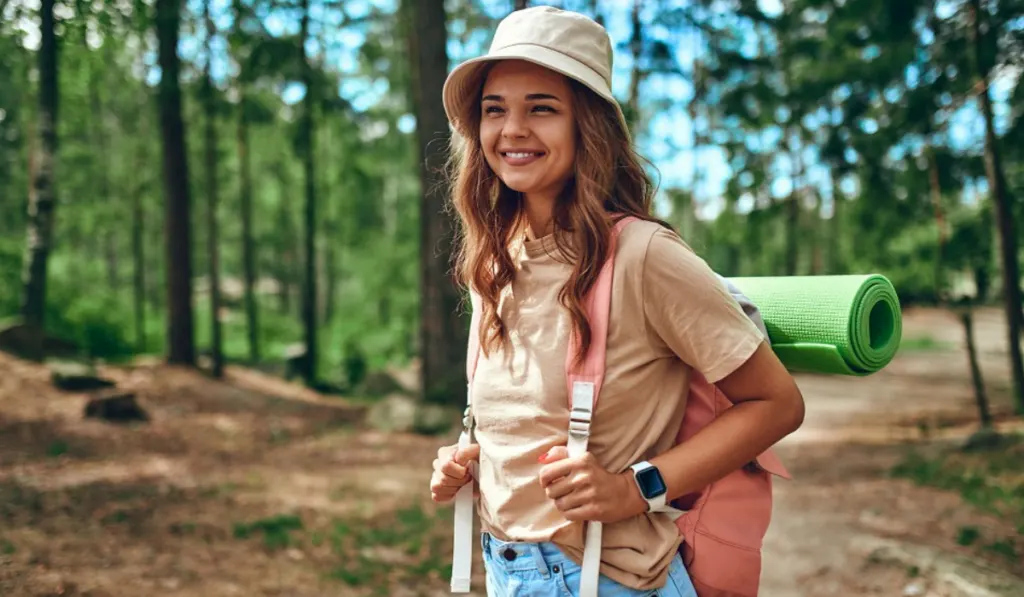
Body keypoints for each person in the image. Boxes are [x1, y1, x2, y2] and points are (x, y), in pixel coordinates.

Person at [430, 6, 806, 597]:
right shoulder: (495, 264)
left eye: (542, 108)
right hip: (505, 572)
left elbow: (777, 403)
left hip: (608, 581)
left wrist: (637, 487)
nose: (513, 129)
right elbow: (530, 415)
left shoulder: (643, 256)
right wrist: (471, 457)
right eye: (494, 109)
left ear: (589, 126)